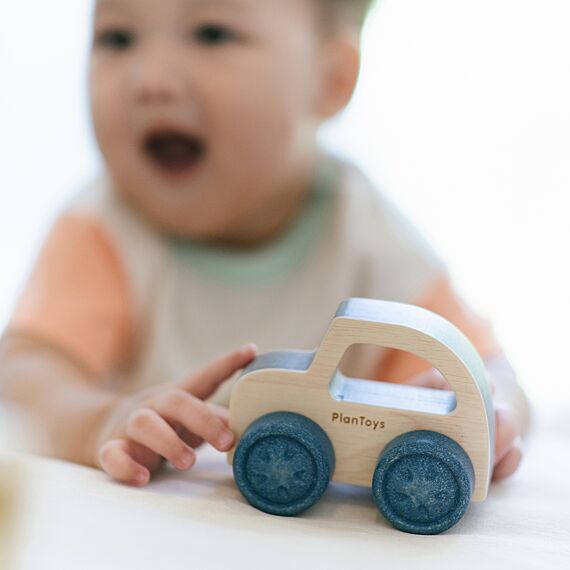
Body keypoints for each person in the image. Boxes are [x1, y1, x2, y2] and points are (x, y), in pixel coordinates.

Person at [0, 0, 528, 488]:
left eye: (211, 34)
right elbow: (24, 377)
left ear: (330, 79)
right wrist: (100, 420)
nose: (150, 79)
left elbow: (485, 371)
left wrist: (481, 408)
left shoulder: (367, 236)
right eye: (117, 38)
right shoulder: (105, 228)